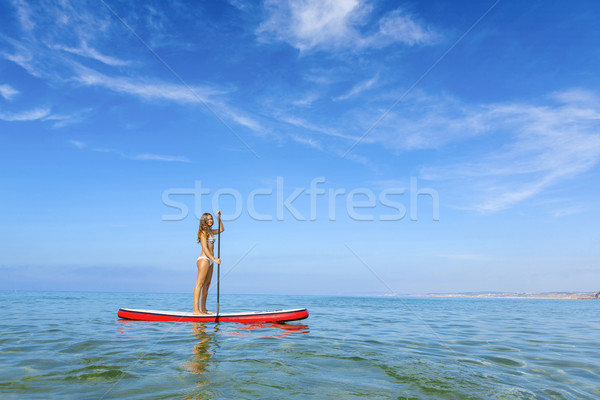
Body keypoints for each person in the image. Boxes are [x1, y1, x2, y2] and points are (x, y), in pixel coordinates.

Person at [193, 211, 223, 315]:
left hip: (210, 260)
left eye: (211, 218)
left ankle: (203, 309)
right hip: (204, 259)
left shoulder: (210, 231)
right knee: (199, 284)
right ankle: (196, 310)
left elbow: (221, 230)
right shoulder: (203, 232)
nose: (211, 220)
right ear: (204, 221)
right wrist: (214, 259)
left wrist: (218, 217)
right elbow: (205, 249)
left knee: (207, 284)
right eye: (209, 219)